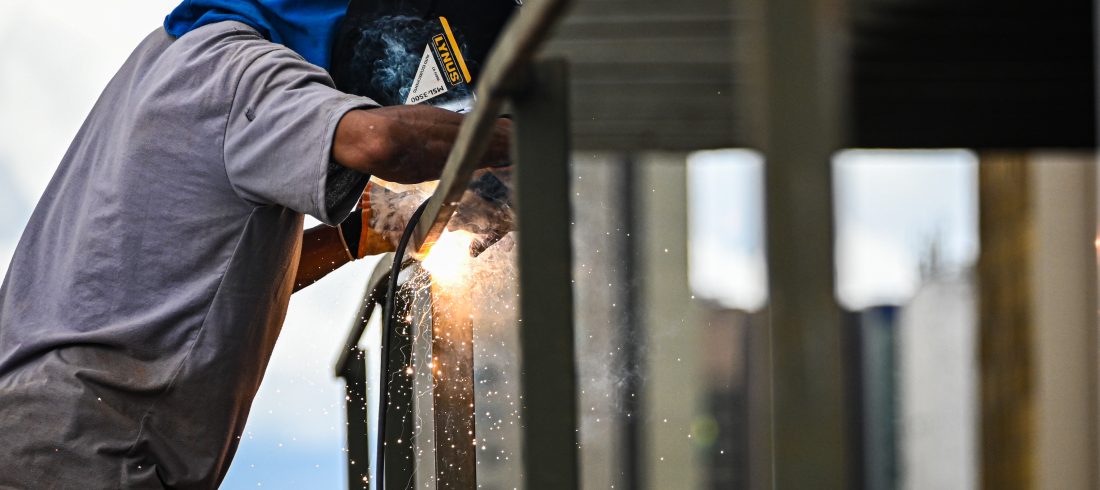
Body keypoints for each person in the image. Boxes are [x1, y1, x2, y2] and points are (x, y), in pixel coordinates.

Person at [0, 0, 512, 487]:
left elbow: (198, 279)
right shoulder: (239, 64)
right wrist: (519, 140)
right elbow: (381, 141)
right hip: (83, 446)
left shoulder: (172, 56)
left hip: (51, 436)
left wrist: (358, 235)